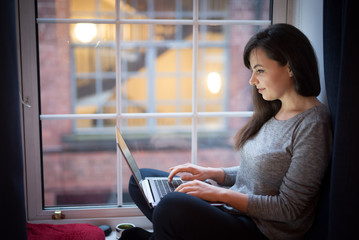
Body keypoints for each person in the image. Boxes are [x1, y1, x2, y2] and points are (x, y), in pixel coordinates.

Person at [122, 23, 332, 240]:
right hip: (234, 209)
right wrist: (213, 174)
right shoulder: (275, 109)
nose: (252, 80)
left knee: (170, 206)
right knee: (141, 181)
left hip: (261, 230)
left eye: (260, 70)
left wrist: (218, 193)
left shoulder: (313, 124)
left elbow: (289, 208)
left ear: (290, 67)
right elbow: (259, 174)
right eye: (252, 71)